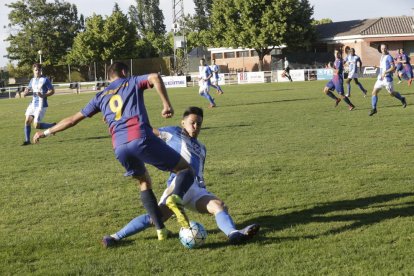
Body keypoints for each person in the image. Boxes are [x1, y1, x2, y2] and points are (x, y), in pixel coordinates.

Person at [33, 62, 196, 241]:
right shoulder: (131, 82)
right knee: (185, 169)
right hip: (140, 138)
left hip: (119, 147)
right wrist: (166, 105)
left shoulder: (100, 95)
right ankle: (176, 198)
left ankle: (161, 230)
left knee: (143, 182)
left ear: (108, 76)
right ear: (124, 72)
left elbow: (72, 120)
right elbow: (155, 77)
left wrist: (46, 132)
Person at [101, 107, 260, 248]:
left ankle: (234, 234)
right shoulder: (173, 133)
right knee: (154, 219)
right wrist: (120, 121)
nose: (196, 127)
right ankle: (115, 237)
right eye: (192, 122)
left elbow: (199, 171)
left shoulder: (202, 148)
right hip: (178, 186)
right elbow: (147, 131)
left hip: (196, 189)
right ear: (183, 123)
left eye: (199, 123)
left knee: (219, 206)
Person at [22, 63, 56, 146]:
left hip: (41, 104)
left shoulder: (45, 80)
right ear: (33, 71)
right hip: (33, 103)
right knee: (27, 121)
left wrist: (44, 95)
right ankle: (27, 141)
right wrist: (25, 92)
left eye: (39, 70)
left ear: (41, 70)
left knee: (36, 125)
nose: (37, 71)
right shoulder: (32, 80)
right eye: (36, 70)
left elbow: (52, 91)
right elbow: (28, 89)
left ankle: (53, 126)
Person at [369, 44, 407, 116]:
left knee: (391, 94)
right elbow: (383, 66)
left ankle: (402, 98)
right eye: (382, 49)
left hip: (387, 79)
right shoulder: (382, 56)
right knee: (374, 92)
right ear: (380, 49)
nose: (384, 50)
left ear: (387, 49)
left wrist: (385, 72)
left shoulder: (389, 57)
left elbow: (393, 68)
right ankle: (374, 109)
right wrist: (376, 67)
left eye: (385, 48)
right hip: (380, 78)